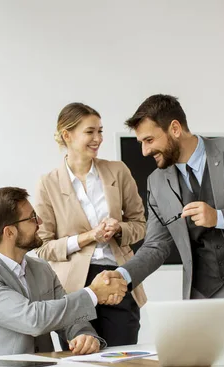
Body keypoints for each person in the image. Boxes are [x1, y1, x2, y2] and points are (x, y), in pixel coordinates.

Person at [106, 94, 224, 301]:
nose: (145, 151)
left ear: (175, 129)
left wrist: (219, 218)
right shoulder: (156, 182)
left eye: (149, 140)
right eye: (141, 143)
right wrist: (121, 275)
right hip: (201, 295)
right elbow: (156, 245)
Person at [0, 187, 128, 357]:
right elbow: (33, 319)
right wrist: (94, 293)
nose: (39, 221)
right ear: (9, 232)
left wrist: (83, 335)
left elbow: (69, 317)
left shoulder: (41, 268)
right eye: (31, 218)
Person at [34, 102, 147, 346]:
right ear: (67, 135)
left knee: (123, 362)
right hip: (73, 289)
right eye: (90, 132)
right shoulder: (48, 183)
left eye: (100, 131)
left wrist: (118, 229)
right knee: (81, 365)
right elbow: (42, 247)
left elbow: (139, 224)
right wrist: (89, 237)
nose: (98, 138)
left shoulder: (118, 171)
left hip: (116, 278)